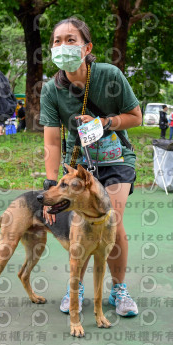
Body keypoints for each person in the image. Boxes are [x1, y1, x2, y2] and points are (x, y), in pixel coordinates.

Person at [39, 17, 142, 317]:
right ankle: (77, 287)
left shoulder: (110, 75)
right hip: (82, 166)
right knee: (81, 223)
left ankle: (119, 289)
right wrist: (50, 186)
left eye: (71, 40)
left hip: (117, 160)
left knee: (110, 218)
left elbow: (136, 116)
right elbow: (53, 142)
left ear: (87, 47)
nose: (62, 46)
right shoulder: (51, 89)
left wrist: (105, 122)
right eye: (57, 41)